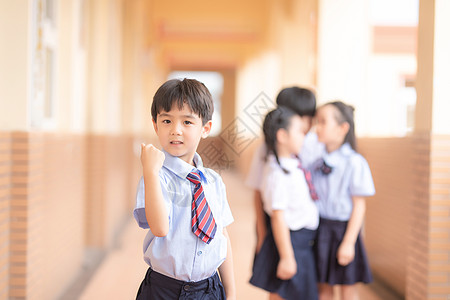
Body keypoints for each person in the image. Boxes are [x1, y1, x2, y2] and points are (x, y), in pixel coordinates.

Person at [134, 78, 236, 300]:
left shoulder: (213, 182)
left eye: (187, 122)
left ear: (205, 128)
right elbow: (160, 228)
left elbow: (222, 236)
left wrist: (231, 292)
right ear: (155, 125)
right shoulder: (155, 176)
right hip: (164, 291)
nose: (175, 130)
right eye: (167, 121)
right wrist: (150, 173)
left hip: (209, 289)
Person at [249, 106, 319, 300]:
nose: (303, 137)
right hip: (290, 243)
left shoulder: (293, 165)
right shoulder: (276, 174)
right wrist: (287, 258)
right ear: (282, 136)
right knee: (283, 293)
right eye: (299, 131)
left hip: (302, 243)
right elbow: (278, 218)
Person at [245, 86, 323, 255]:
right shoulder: (267, 149)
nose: (307, 124)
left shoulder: (313, 143)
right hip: (275, 219)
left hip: (304, 220)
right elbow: (258, 192)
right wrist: (262, 234)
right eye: (301, 117)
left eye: (309, 118)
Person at [311, 101, 375, 300]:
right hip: (321, 230)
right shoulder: (317, 162)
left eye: (323, 122)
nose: (317, 127)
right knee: (323, 289)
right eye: (316, 122)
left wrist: (348, 242)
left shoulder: (355, 162)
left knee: (347, 289)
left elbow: (359, 206)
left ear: (342, 128)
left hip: (344, 231)